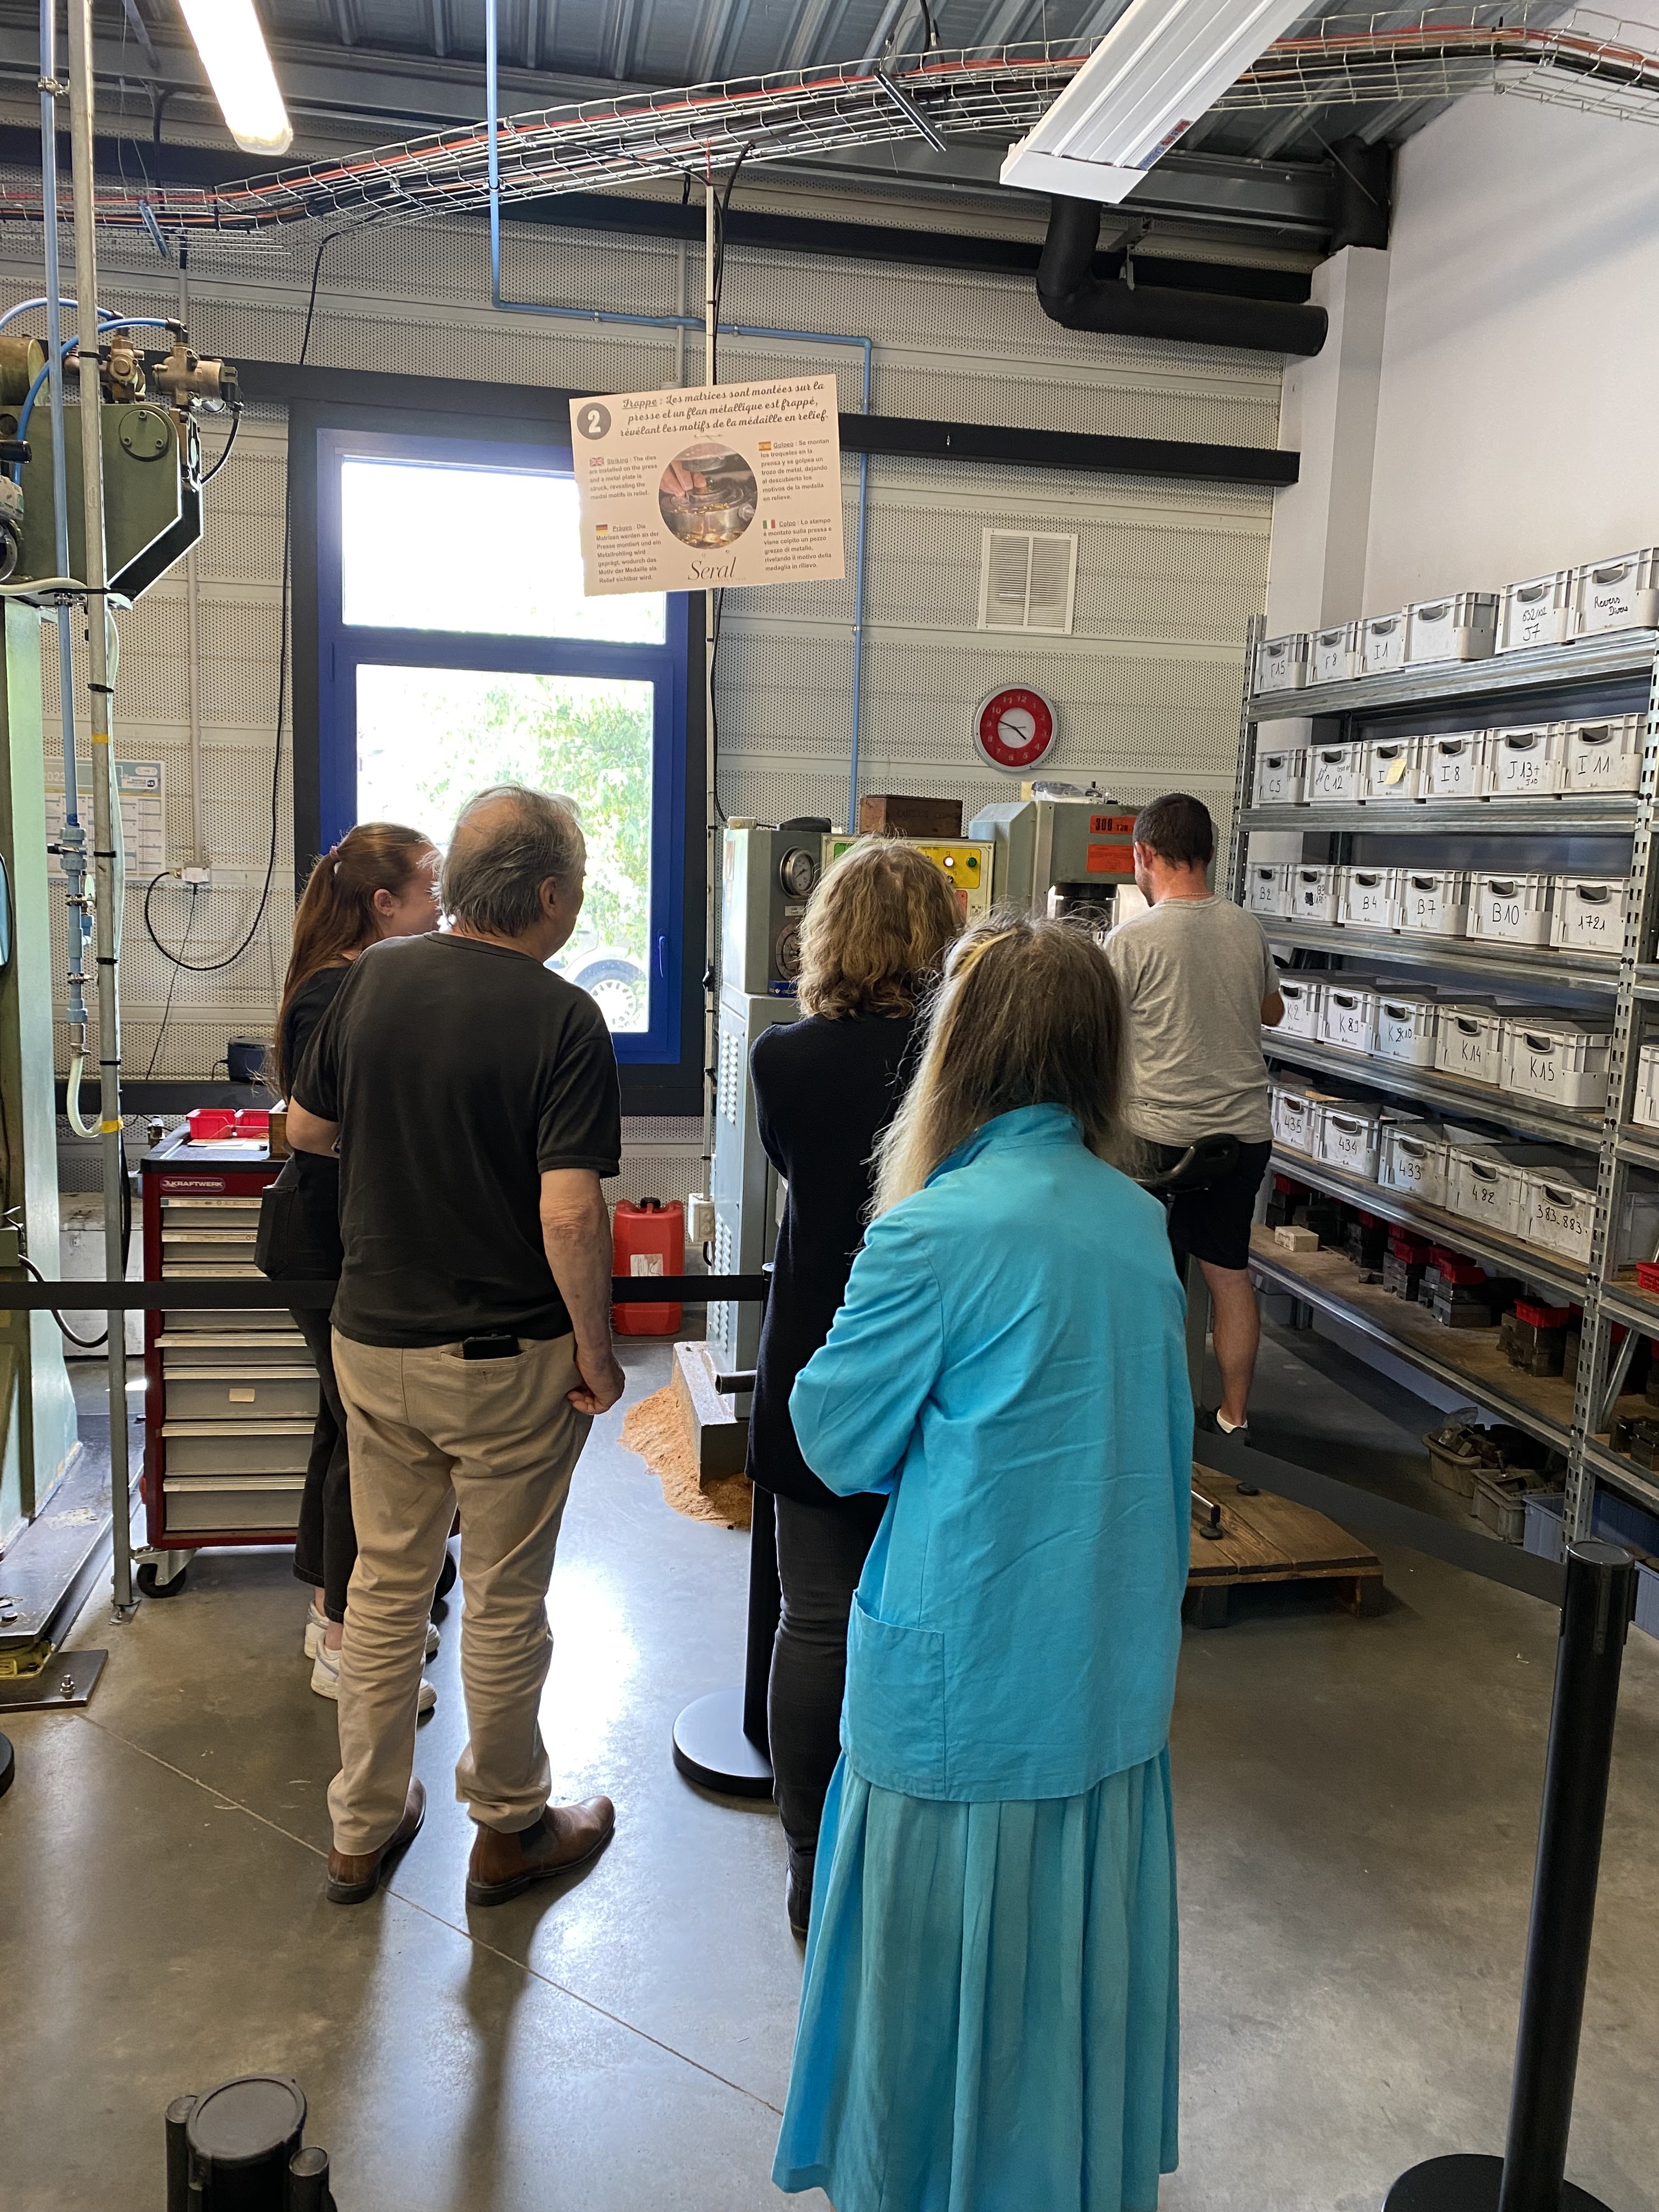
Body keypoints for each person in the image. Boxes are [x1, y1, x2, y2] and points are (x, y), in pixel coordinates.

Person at [773, 916, 1192, 2212]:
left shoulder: (932, 1231)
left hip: (962, 1683)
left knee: (931, 1993)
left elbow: (835, 1439)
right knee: (1064, 1994)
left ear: (955, 1047)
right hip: (1102, 1675)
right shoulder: (1139, 1223)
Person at [286, 786, 624, 1909]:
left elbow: (309, 1129)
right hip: (504, 1357)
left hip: (372, 1338)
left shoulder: (373, 976)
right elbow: (569, 1214)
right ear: (548, 894)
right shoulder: (564, 1018)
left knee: (387, 1587)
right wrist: (598, 1354)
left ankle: (361, 1824)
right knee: (505, 1595)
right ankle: (511, 1826)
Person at [748, 839, 962, 1940]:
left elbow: (797, 1171)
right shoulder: (962, 1067)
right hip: (937, 1363)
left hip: (817, 1357)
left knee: (815, 1619)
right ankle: (916, 1840)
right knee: (933, 1616)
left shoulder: (782, 1059)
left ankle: (806, 1852)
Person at [258, 823, 441, 1705]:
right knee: (363, 1440)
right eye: (431, 889)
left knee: (342, 1428)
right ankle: (347, 1640)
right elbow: (322, 1127)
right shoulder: (338, 991)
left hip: (338, 1235)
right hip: (326, 1239)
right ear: (384, 904)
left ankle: (330, 1607)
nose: (442, 906)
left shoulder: (352, 979)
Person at [1105, 791, 1284, 1440]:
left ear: (1144, 854)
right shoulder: (1247, 928)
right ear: (1210, 853)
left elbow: (1095, 1029)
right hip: (1241, 1136)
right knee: (1229, 1274)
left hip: (1155, 1138)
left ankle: (1136, 1415)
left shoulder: (1130, 940)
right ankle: (1234, 1419)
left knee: (1133, 1270)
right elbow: (1272, 1012)